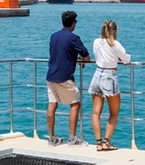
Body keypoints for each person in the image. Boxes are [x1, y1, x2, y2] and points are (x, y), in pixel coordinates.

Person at [46, 11, 91, 146]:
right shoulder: (74, 38)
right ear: (73, 23)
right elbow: (86, 57)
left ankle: (51, 138)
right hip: (64, 77)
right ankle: (72, 138)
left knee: (52, 104)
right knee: (75, 104)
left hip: (51, 76)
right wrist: (80, 60)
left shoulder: (53, 36)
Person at [88, 19, 130, 151]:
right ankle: (107, 141)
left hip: (97, 75)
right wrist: (118, 59)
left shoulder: (96, 42)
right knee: (114, 112)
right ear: (115, 31)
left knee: (96, 112)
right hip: (109, 76)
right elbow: (126, 59)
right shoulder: (116, 45)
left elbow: (99, 56)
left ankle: (99, 143)